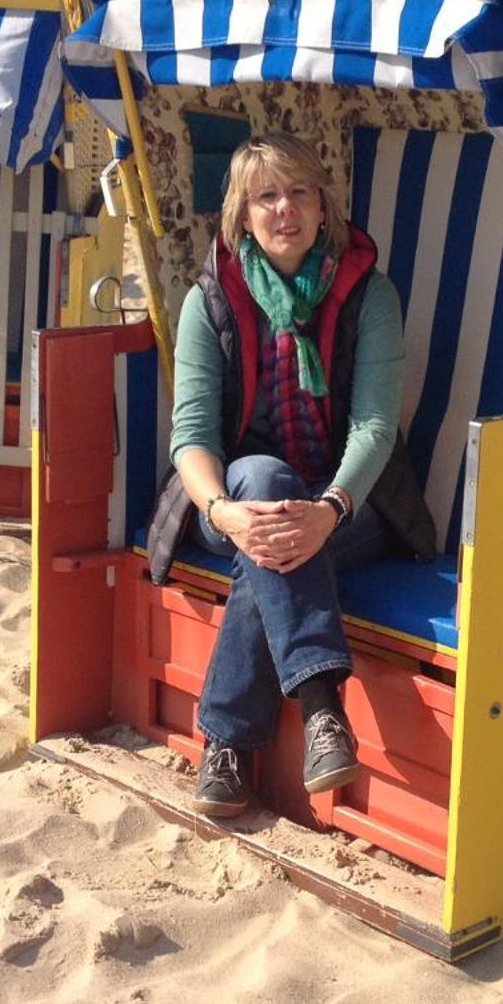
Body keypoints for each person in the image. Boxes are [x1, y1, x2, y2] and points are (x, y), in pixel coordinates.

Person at [144, 132, 437, 818]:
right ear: (241, 216)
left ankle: (223, 743)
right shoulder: (210, 301)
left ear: (323, 207)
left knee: (273, 547)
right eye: (266, 196)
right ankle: (319, 704)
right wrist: (222, 513)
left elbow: (373, 428)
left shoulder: (370, 297)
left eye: (299, 192)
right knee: (268, 482)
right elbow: (190, 437)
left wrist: (330, 508)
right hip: (234, 503)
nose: (285, 210)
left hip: (352, 508)